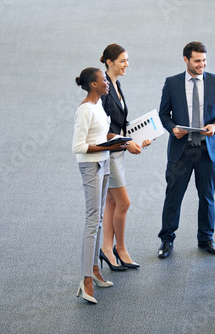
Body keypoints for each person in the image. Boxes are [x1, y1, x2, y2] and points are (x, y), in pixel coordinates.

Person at [157, 41, 215, 258]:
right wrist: (173, 129)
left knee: (207, 197)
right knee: (173, 196)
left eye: (204, 60)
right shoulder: (172, 83)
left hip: (207, 150)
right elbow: (163, 114)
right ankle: (166, 240)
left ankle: (206, 238)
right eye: (197, 61)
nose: (202, 65)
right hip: (181, 150)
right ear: (186, 60)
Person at [73, 67, 128, 304]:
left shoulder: (98, 105)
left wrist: (117, 141)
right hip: (91, 166)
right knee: (92, 221)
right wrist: (108, 148)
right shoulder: (85, 109)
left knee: (97, 221)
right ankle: (85, 281)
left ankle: (95, 270)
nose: (107, 82)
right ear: (93, 85)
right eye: (103, 80)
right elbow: (79, 146)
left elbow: (101, 136)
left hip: (104, 163)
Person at [99, 43, 151, 271]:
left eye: (127, 60)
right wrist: (127, 142)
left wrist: (139, 138)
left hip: (118, 152)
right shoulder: (103, 89)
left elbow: (120, 124)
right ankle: (120, 249)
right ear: (109, 62)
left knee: (112, 202)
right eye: (123, 60)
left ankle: (107, 249)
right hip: (108, 153)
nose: (127, 64)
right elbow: (101, 130)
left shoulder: (116, 84)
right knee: (124, 203)